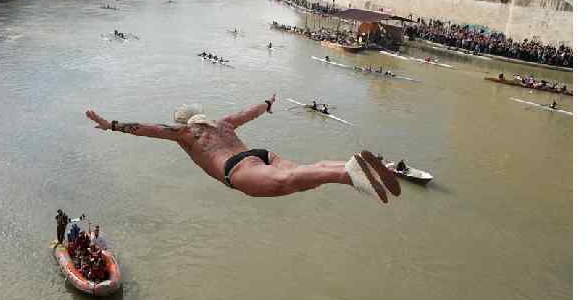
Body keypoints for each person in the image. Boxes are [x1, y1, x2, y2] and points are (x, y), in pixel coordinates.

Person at [85, 95, 401, 203]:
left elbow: (147, 129)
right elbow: (248, 113)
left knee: (287, 183)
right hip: (260, 154)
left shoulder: (186, 133)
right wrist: (267, 104)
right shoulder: (222, 123)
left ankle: (350, 175)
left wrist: (110, 124)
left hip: (238, 169)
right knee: (299, 175)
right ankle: (349, 166)